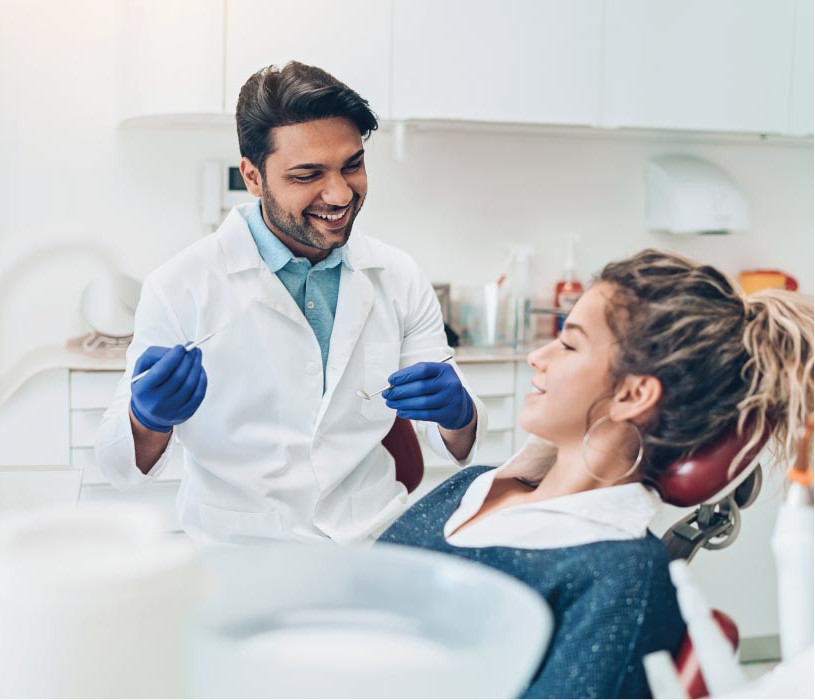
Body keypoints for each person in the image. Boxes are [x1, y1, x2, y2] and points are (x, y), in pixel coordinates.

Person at [379, 249, 814, 698]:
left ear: (633, 393)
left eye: (569, 343)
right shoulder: (470, 487)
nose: (538, 356)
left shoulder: (622, 578)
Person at [95, 61, 486, 544]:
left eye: (353, 165)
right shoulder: (181, 285)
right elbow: (118, 468)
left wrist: (458, 413)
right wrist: (147, 419)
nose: (341, 193)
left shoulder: (398, 275)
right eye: (308, 174)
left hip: (374, 541)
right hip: (241, 552)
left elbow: (458, 445)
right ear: (253, 178)